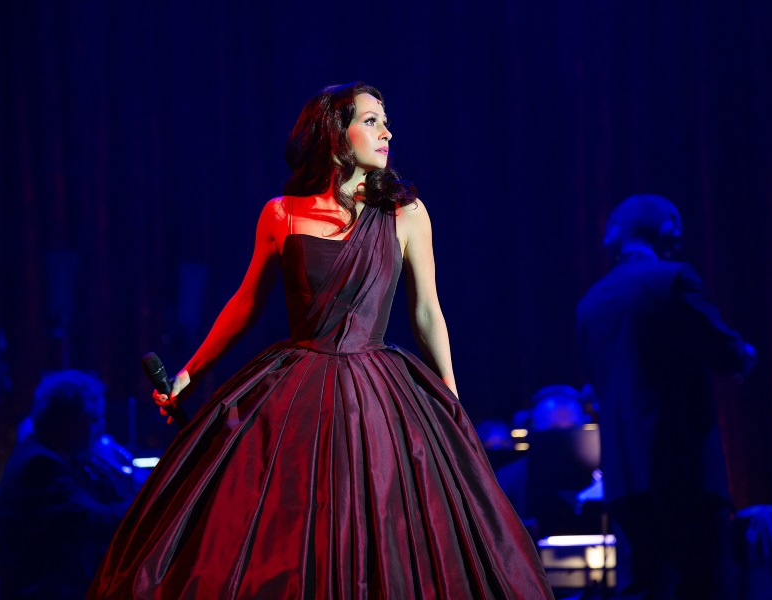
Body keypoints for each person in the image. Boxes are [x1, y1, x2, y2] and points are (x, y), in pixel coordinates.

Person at [88, 82, 554, 599]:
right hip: (298, 393)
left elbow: (427, 311)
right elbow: (246, 304)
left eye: (386, 122)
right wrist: (189, 374)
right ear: (335, 134)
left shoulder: (406, 213)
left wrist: (450, 393)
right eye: (371, 121)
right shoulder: (280, 213)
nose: (387, 132)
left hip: (377, 394)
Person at [577, 194, 757, 600]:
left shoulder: (590, 303)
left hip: (624, 482)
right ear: (669, 233)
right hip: (685, 474)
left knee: (642, 588)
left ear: (614, 238)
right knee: (704, 585)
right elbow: (726, 351)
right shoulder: (673, 280)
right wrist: (745, 354)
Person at [0, 369, 135, 600]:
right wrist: (144, 501)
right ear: (66, 423)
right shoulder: (39, 465)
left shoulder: (47, 455)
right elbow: (95, 521)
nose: (101, 429)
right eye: (93, 420)